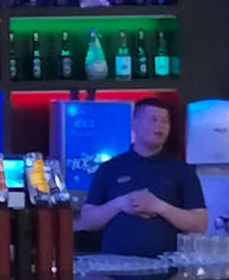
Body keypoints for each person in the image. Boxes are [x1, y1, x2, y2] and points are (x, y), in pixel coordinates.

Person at [76, 98, 207, 257]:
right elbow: (87, 221)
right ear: (135, 124)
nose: (159, 126)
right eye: (153, 119)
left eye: (164, 121)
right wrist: (121, 203)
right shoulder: (109, 168)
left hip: (168, 266)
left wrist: (158, 206)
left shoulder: (181, 169)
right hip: (115, 266)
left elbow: (200, 224)